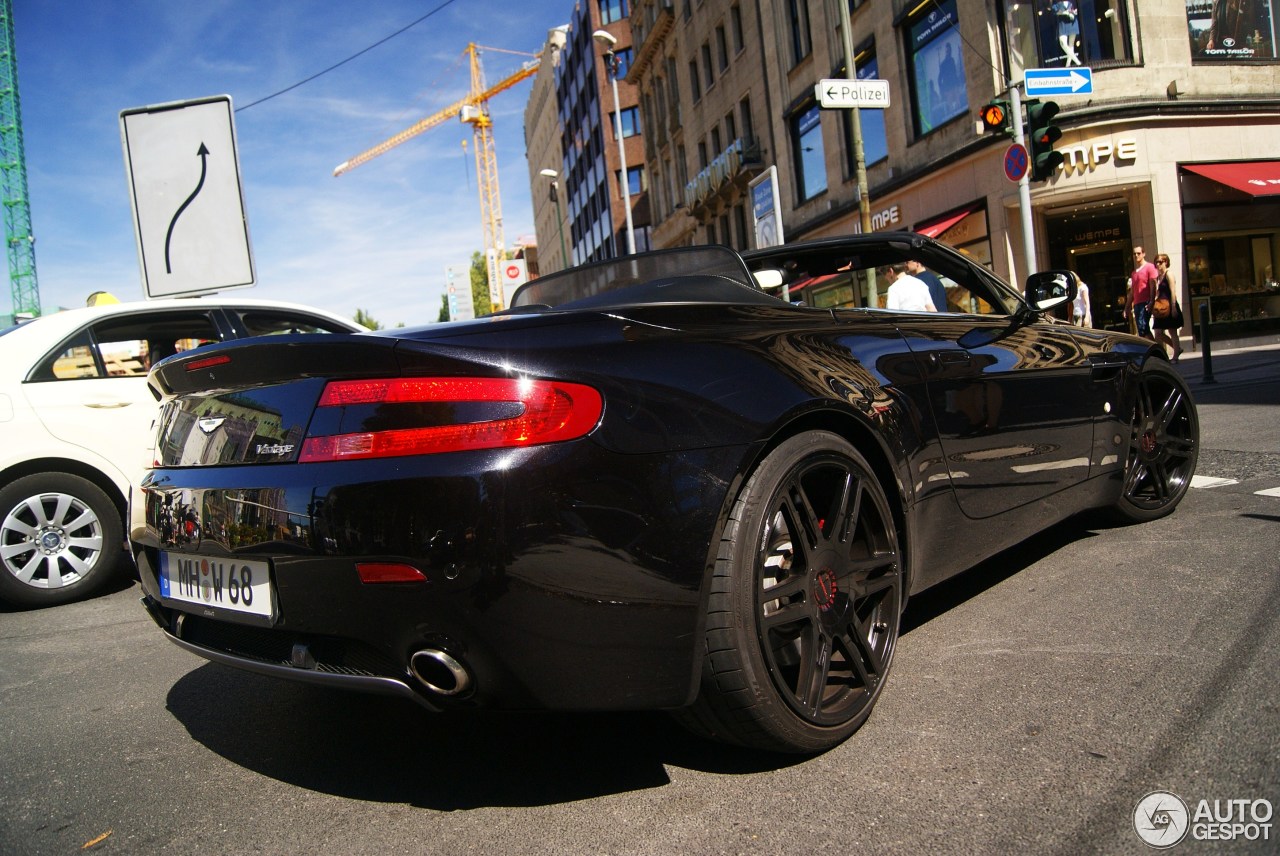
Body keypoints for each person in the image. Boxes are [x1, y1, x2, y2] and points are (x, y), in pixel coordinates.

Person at [1151, 253, 1184, 361]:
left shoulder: (1169, 274)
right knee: (1158, 333)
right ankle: (1177, 348)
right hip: (1161, 307)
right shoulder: (1158, 277)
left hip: (1169, 305)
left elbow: (1173, 291)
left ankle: (1175, 355)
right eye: (1156, 262)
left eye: (1160, 262)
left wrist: (1174, 307)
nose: (1158, 264)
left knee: (1172, 331)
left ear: (1166, 262)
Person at [1125, 246, 1158, 340]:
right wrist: (1127, 307)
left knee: (1144, 327)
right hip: (1137, 304)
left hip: (1146, 302)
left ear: (1143, 254)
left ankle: (1155, 351)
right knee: (1141, 330)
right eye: (1134, 254)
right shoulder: (1134, 273)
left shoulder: (1150, 267)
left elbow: (1153, 285)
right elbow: (1132, 292)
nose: (1136, 255)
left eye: (1138, 253)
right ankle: (1150, 351)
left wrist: (1152, 300)